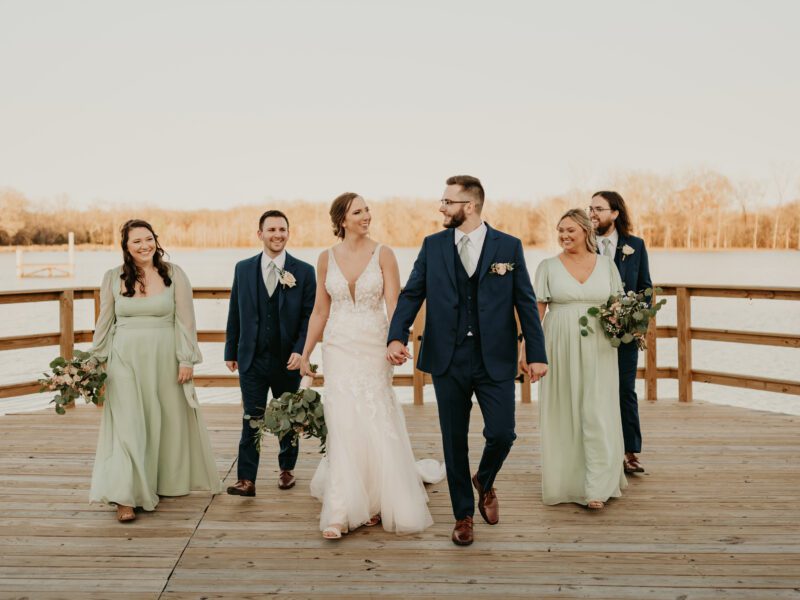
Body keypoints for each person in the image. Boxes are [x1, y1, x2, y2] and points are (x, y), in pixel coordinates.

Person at [387, 175, 548, 546]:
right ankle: (463, 515)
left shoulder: (508, 246)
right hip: (448, 356)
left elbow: (525, 301)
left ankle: (485, 481)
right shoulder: (433, 246)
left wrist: (536, 354)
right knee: (453, 439)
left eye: (447, 202)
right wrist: (396, 335)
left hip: (496, 356)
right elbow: (412, 294)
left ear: (470, 206)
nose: (441, 208)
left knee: (503, 433)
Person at [301, 192, 444, 540]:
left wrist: (397, 341)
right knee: (342, 421)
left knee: (374, 415)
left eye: (367, 210)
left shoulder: (385, 254)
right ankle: (340, 510)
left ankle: (378, 496)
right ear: (342, 220)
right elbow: (320, 310)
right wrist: (305, 354)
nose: (367, 215)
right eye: (358, 211)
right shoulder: (325, 258)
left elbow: (394, 304)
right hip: (337, 345)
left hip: (373, 345)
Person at [89, 219, 221, 522]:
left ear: (155, 241)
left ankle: (160, 481)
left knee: (161, 420)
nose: (144, 245)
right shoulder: (112, 278)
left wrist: (186, 358)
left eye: (148, 239)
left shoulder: (174, 275)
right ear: (126, 247)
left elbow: (186, 320)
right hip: (124, 359)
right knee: (127, 425)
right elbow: (104, 323)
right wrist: (94, 361)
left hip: (163, 358)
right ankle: (125, 496)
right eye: (136, 241)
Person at [532, 208, 627, 509]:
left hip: (599, 344)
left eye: (570, 230)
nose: (564, 236)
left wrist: (623, 322)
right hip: (559, 342)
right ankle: (568, 482)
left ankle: (598, 484)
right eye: (560, 230)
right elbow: (538, 310)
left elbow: (618, 304)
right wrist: (531, 349)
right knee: (565, 408)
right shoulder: (547, 266)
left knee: (597, 408)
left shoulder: (607, 265)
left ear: (586, 231)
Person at [225, 210, 316, 496]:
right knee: (251, 416)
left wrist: (301, 351)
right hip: (252, 357)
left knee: (288, 416)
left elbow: (309, 317)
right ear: (260, 234)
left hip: (287, 359)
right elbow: (235, 312)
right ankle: (246, 479)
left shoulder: (303, 271)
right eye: (272, 230)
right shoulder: (243, 268)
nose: (277, 235)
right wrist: (231, 349)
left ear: (288, 233)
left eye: (282, 230)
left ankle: (286, 469)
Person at [589, 191, 653, 474]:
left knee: (625, 390)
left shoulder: (635, 246)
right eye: (590, 208)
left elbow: (645, 288)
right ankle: (597, 451)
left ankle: (630, 452)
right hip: (590, 330)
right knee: (592, 390)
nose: (592, 214)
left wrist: (635, 321)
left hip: (625, 331)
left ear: (615, 213)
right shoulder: (585, 244)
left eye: (598, 209)